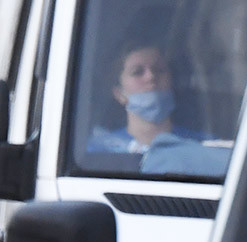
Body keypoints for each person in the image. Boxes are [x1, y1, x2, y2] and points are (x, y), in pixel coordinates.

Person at [86, 41, 214, 156]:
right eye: (137, 72)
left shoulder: (204, 146)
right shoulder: (99, 152)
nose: (151, 77)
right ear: (119, 94)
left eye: (159, 70)